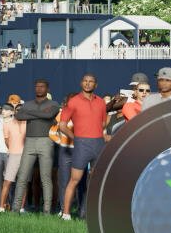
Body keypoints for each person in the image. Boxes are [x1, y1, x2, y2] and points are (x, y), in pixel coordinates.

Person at [56, 74, 108, 220]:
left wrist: (95, 132)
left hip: (98, 144)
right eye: (85, 81)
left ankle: (93, 214)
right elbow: (62, 126)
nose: (87, 83)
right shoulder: (73, 102)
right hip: (82, 145)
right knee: (75, 179)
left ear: (95, 85)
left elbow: (103, 123)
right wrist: (76, 138)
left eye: (91, 81)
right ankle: (66, 213)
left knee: (97, 181)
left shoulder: (101, 103)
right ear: (81, 83)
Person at [11, 79, 58, 214]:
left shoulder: (53, 103)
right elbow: (19, 116)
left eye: (42, 86)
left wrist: (30, 113)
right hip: (29, 141)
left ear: (47, 88)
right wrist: (42, 115)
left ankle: (47, 211)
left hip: (46, 141)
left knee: (46, 177)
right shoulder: (29, 104)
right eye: (37, 86)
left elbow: (49, 114)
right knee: (22, 176)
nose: (39, 89)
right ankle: (15, 208)